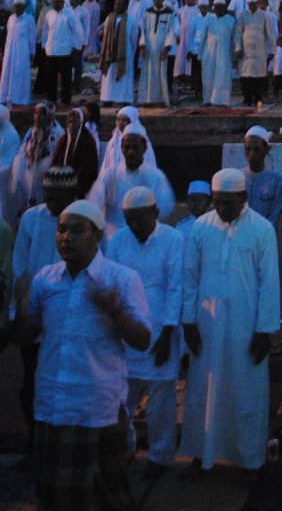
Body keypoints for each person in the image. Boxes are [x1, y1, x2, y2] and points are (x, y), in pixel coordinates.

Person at [14, 199, 150, 511]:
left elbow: (143, 340)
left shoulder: (121, 279)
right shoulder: (45, 279)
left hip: (96, 409)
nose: (66, 237)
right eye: (61, 230)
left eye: (77, 230)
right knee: (55, 496)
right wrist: (21, 306)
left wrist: (115, 311)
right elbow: (25, 336)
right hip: (52, 405)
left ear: (98, 235)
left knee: (105, 496)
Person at [180, 168, 280, 473]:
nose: (222, 209)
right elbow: (189, 278)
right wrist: (188, 322)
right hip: (207, 326)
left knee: (246, 392)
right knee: (203, 391)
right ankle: (201, 453)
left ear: (243, 198)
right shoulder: (200, 228)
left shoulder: (262, 230)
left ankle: (249, 459)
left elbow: (269, 283)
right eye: (217, 202)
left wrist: (264, 330)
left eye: (228, 202)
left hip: (245, 326)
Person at [106, 186, 183, 481]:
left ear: (155, 213)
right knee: (121, 398)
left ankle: (161, 456)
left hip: (161, 330)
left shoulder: (172, 239)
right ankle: (123, 449)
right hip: (126, 331)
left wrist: (166, 334)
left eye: (140, 219)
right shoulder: (119, 239)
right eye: (129, 220)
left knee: (161, 401)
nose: (134, 226)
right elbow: (111, 283)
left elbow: (176, 287)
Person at [12, 166, 79, 432]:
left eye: (59, 196)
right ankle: (35, 441)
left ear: (72, 194)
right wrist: (19, 311)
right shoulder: (31, 219)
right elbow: (19, 267)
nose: (53, 202)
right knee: (33, 381)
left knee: (69, 382)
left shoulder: (84, 219)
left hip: (70, 317)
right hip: (35, 314)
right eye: (49, 195)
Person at [89, 124, 175, 240]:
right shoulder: (110, 174)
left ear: (144, 148)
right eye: (127, 147)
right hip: (113, 238)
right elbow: (94, 201)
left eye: (135, 147)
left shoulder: (155, 176)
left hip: (144, 238)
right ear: (121, 148)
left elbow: (164, 208)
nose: (130, 152)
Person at [235, 0, 276, 107]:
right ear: (248, 4)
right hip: (246, 51)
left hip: (260, 50)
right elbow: (238, 33)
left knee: (259, 76)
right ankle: (247, 98)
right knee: (245, 75)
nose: (252, 6)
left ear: (257, 4)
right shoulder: (243, 15)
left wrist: (272, 51)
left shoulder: (264, 15)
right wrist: (238, 48)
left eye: (254, 4)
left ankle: (258, 98)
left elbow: (270, 34)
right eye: (250, 4)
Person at [242, 125, 282, 226]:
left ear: (267, 150)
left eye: (257, 149)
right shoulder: (238, 177)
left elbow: (274, 215)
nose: (252, 154)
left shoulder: (277, 180)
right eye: (248, 149)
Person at [51, 106, 100, 195]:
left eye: (74, 122)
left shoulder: (88, 141)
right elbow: (56, 161)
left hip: (79, 187)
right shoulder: (64, 140)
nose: (71, 125)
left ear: (81, 123)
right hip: (61, 184)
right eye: (69, 122)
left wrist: (74, 185)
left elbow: (88, 168)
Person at [98, 0, 139, 105]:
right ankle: (107, 99)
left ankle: (124, 100)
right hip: (110, 53)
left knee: (123, 78)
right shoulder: (109, 18)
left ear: (125, 7)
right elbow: (105, 35)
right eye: (115, 4)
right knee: (109, 76)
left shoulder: (131, 20)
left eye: (120, 5)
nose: (117, 7)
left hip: (125, 54)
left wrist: (130, 52)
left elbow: (134, 38)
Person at [138, 0, 175, 107]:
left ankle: (160, 99)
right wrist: (142, 45)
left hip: (161, 48)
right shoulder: (148, 12)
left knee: (161, 73)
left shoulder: (169, 13)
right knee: (147, 73)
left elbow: (171, 31)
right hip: (149, 47)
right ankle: (147, 99)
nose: (157, 1)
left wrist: (166, 48)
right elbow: (143, 29)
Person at [0, 0, 36, 106]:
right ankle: (5, 96)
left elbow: (32, 37)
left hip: (22, 51)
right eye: (15, 6)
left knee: (20, 73)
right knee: (7, 72)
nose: (16, 9)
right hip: (10, 51)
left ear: (24, 7)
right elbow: (8, 35)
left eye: (19, 7)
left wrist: (32, 52)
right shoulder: (11, 18)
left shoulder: (29, 19)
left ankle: (19, 98)